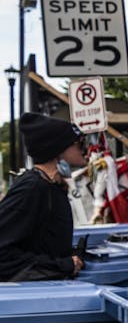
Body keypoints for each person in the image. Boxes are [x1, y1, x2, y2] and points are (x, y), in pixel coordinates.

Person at [0, 113, 86, 281]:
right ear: (58, 150)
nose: (85, 149)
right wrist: (62, 265)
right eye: (78, 144)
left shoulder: (50, 186)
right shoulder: (33, 188)